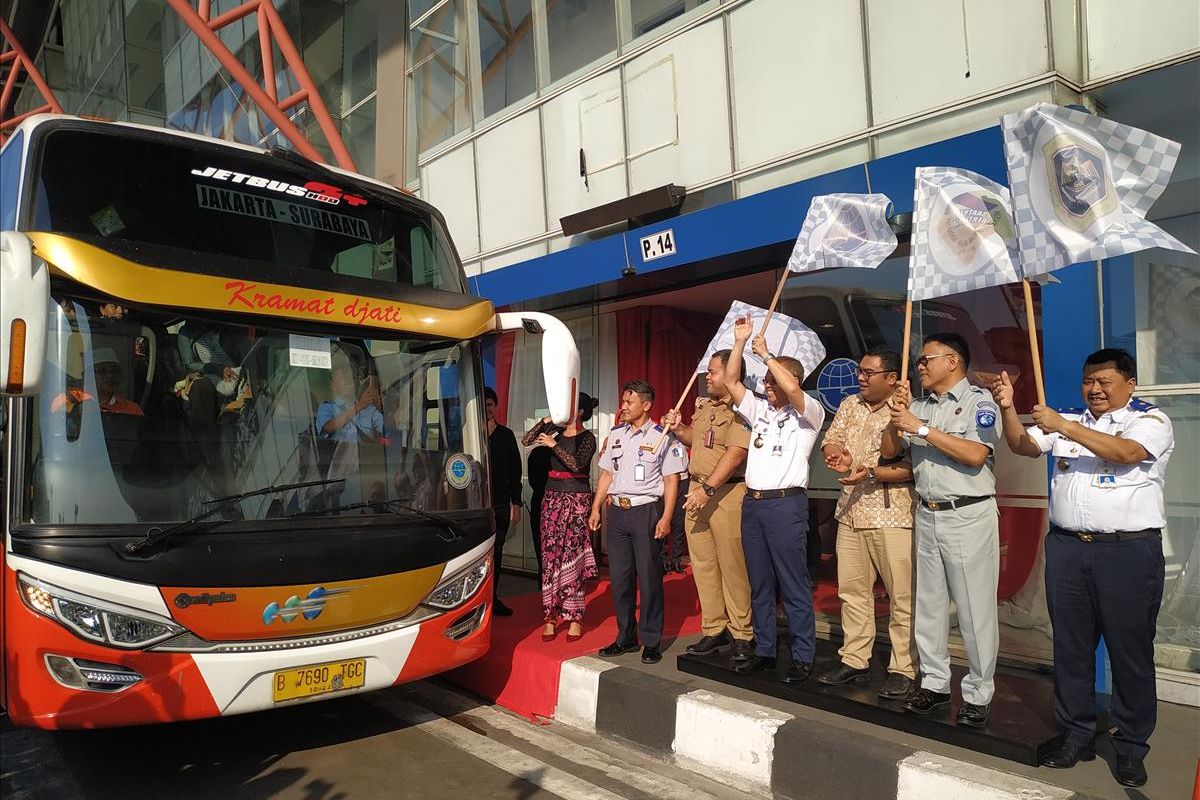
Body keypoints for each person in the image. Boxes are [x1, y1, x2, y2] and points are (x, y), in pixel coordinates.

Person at [990, 350, 1172, 788]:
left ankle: (1131, 747)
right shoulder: (1070, 418)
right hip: (1069, 550)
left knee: (1130, 652)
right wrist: (1009, 408)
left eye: (1105, 381)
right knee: (1070, 649)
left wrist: (1064, 426)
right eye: (1089, 381)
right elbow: (1023, 445)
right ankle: (1076, 734)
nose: (1095, 389)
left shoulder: (1150, 421)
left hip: (1127, 553)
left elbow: (1127, 453)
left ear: (1129, 384)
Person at [881, 332, 1001, 729]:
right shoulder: (917, 405)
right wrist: (895, 417)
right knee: (929, 607)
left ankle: (979, 692)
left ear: (952, 361)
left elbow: (975, 454)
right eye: (918, 360)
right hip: (928, 513)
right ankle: (934, 683)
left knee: (973, 609)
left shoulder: (977, 402)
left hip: (967, 514)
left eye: (925, 359)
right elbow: (888, 452)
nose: (919, 366)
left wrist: (920, 429)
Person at [725, 317, 825, 684]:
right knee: (760, 583)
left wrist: (768, 357)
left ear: (790, 380)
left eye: (772, 381)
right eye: (765, 382)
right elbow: (733, 382)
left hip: (786, 506)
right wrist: (740, 343)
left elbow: (793, 390)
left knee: (793, 583)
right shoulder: (760, 411)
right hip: (754, 505)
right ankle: (765, 650)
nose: (767, 386)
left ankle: (802, 655)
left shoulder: (809, 413)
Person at [817, 348, 917, 700]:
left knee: (902, 597)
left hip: (893, 514)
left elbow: (914, 466)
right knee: (852, 593)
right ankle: (855, 658)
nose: (860, 377)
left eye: (868, 373)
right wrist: (834, 453)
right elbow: (834, 437)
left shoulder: (908, 410)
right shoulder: (850, 405)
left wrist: (872, 471)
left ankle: (902, 667)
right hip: (851, 511)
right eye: (860, 371)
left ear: (891, 378)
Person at [662, 350, 753, 661]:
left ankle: (742, 632)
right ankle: (714, 628)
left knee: (733, 566)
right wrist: (677, 429)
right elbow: (695, 439)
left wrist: (709, 488)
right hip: (697, 489)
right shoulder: (705, 407)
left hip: (726, 493)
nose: (708, 378)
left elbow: (736, 453)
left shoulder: (743, 410)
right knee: (703, 565)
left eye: (713, 372)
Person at [589, 380, 688, 665]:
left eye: (629, 402)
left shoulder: (663, 436)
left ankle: (652, 640)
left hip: (646, 512)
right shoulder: (617, 434)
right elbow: (607, 474)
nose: (623, 407)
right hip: (618, 513)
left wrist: (667, 517)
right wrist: (596, 507)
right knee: (620, 580)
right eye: (622, 401)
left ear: (646, 405)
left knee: (649, 578)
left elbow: (671, 480)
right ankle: (625, 636)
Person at [523, 393, 600, 641]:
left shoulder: (588, 438)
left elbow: (577, 465)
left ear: (579, 411)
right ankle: (550, 615)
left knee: (572, 555)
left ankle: (575, 616)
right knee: (550, 555)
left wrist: (553, 445)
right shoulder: (554, 431)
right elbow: (527, 440)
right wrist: (548, 419)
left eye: (569, 406)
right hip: (551, 498)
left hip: (576, 499)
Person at [483, 387, 522, 617]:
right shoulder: (470, 434)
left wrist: (515, 503)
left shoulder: (506, 435)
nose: (487, 408)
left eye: (490, 404)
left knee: (496, 553)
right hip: (477, 505)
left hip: (499, 504)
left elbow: (514, 472)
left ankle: (493, 597)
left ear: (495, 407)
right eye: (483, 404)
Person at [52, 348, 144, 416]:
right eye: (102, 371)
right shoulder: (69, 399)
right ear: (86, 375)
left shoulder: (133, 410)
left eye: (114, 371)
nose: (110, 376)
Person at [317, 365, 385, 442]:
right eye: (343, 376)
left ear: (357, 382)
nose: (349, 380)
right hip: (339, 453)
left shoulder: (370, 409)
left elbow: (387, 432)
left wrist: (383, 408)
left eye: (352, 376)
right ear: (333, 385)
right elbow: (328, 428)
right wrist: (358, 406)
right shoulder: (327, 408)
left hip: (366, 453)